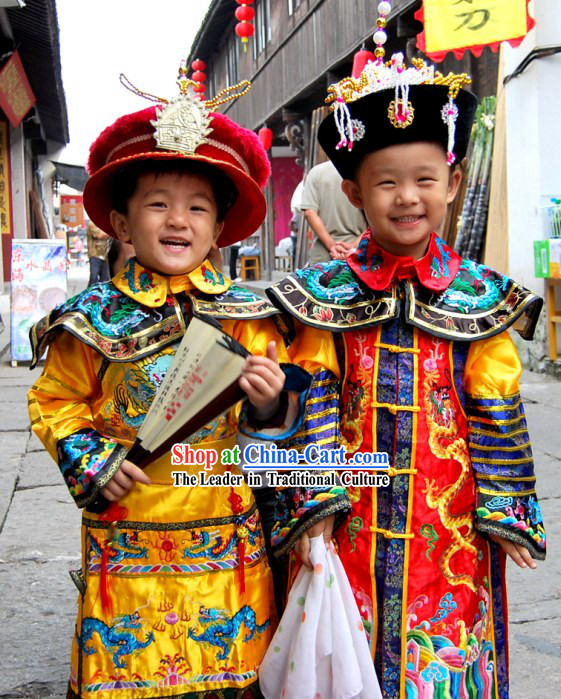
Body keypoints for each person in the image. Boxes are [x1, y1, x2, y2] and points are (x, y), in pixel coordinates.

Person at [27, 70, 346, 699]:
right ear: (120, 223)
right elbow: (55, 401)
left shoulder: (253, 319)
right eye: (158, 204)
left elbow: (294, 422)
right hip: (129, 533)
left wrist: (272, 402)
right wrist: (90, 457)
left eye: (197, 207)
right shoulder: (90, 322)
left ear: (220, 227)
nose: (179, 220)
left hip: (225, 537)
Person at [268, 51, 546, 698]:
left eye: (424, 178)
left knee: (443, 662)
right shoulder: (321, 296)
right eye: (386, 181)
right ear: (354, 192)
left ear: (451, 183)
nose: (407, 197)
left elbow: (494, 401)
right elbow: (307, 399)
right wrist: (309, 505)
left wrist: (506, 505)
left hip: (447, 523)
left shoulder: (478, 297)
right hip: (348, 520)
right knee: (347, 658)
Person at [300, 158, 366, 263]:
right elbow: (379, 217)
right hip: (361, 252)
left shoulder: (316, 173)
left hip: (323, 255)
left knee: (320, 279)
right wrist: (353, 247)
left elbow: (309, 213)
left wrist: (332, 246)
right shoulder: (365, 171)